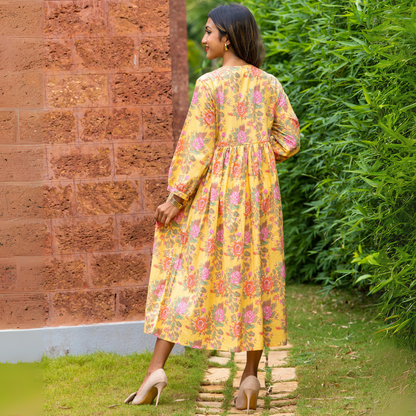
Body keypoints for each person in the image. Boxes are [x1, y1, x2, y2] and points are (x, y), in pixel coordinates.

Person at [124, 3, 300, 412]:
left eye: (208, 32)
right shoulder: (269, 84)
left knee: (190, 270)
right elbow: (290, 138)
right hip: (259, 200)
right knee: (256, 278)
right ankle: (251, 378)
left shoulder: (210, 85)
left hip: (216, 196)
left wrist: (175, 197)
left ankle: (155, 370)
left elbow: (196, 149)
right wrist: (257, 157)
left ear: (228, 38)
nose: (202, 39)